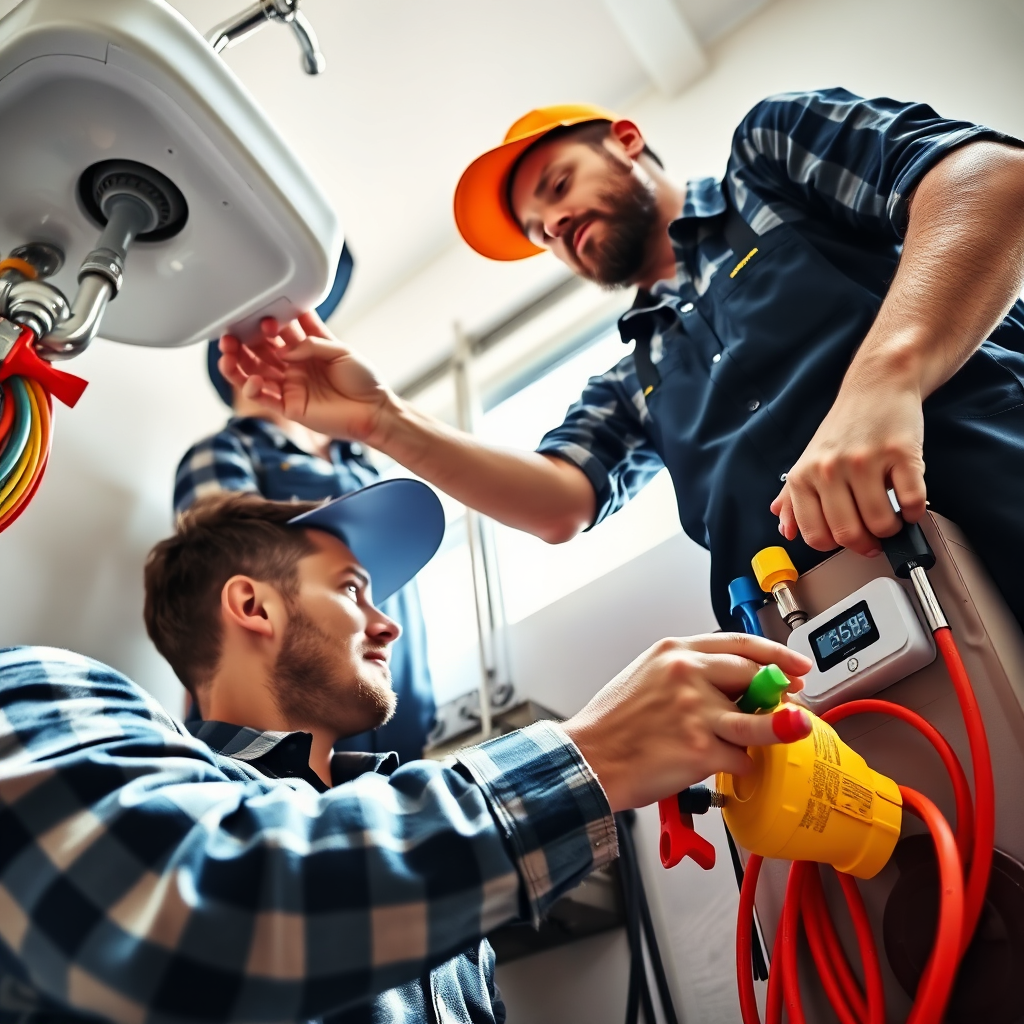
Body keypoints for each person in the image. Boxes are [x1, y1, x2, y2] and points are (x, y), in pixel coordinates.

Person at [0, 480, 812, 1023]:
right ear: (251, 604)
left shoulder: (445, 902)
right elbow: (169, 921)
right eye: (353, 588)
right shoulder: (48, 689)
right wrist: (586, 756)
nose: (387, 624)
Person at [218, 90, 1024, 629]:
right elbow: (558, 504)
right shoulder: (635, 373)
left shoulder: (767, 163)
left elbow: (988, 178)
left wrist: (885, 382)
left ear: (627, 142)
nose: (557, 227)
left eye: (559, 186)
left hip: (993, 512)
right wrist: (381, 420)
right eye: (540, 230)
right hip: (811, 643)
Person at [175, 244, 435, 761]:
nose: (286, 345)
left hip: (399, 727)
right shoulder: (226, 450)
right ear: (236, 371)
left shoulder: (365, 467)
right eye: (263, 345)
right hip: (280, 735)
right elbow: (216, 576)